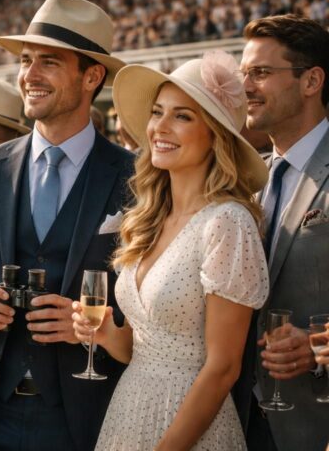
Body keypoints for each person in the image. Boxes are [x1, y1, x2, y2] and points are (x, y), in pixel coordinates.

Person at [0, 0, 132, 449]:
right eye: (25, 60)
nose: (29, 75)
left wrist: (93, 323)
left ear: (92, 76)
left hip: (83, 420)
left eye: (49, 62)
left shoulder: (138, 178)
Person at [73, 51, 270, 450]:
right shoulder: (147, 219)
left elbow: (223, 368)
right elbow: (145, 350)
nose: (160, 127)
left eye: (182, 116)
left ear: (215, 135)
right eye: (158, 112)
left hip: (190, 429)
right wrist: (109, 335)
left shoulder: (227, 223)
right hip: (129, 413)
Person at [234, 14, 329, 451]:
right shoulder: (249, 181)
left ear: (311, 81)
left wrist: (318, 346)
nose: (246, 86)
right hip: (242, 420)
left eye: (261, 73)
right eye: (244, 74)